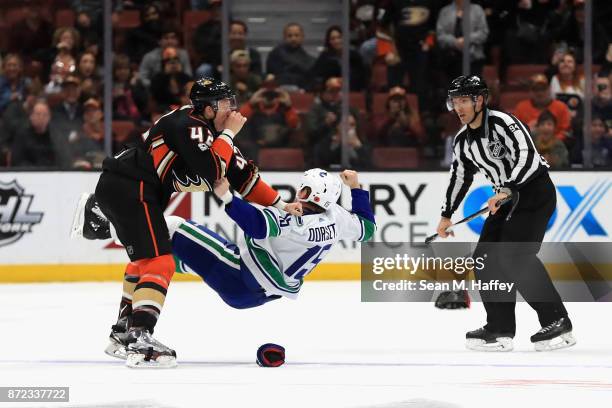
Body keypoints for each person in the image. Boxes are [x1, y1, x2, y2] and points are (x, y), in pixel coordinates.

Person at [71, 78, 303, 368]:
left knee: (143, 264)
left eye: (231, 102)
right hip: (132, 188)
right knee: (161, 262)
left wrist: (282, 205)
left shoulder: (215, 135)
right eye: (223, 103)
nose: (231, 109)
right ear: (206, 108)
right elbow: (213, 168)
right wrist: (230, 133)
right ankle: (141, 338)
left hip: (130, 189)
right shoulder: (189, 125)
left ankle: (123, 333)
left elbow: (244, 178)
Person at [74, 169, 375, 360]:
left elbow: (258, 226)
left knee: (171, 227)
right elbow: (368, 228)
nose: (299, 195)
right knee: (157, 257)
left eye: (305, 190)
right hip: (255, 294)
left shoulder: (297, 220)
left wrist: (227, 197)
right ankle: (124, 331)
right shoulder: (338, 219)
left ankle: (101, 225)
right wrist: (358, 188)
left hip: (239, 272)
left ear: (315, 194)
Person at [436, 75, 575, 352]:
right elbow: (459, 177)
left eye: (464, 100)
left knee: (515, 254)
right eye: (455, 101)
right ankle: (499, 328)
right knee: (484, 258)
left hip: (533, 192)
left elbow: (526, 154)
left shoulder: (503, 122)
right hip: (506, 198)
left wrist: (508, 188)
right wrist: (446, 214)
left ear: (480, 100)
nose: (459, 107)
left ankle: (557, 320)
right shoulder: (463, 140)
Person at [513, 74, 571, 141]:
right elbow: (515, 131)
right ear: (530, 91)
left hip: (555, 147)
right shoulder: (521, 107)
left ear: (549, 90)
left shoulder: (561, 107)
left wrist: (551, 142)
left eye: (543, 89)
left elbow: (565, 131)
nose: (540, 93)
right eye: (536, 90)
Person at [265, 23, 315, 90]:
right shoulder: (275, 54)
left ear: (302, 37)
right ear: (284, 37)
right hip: (280, 89)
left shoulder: (309, 59)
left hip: (301, 90)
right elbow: (273, 74)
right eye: (289, 36)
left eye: (296, 35)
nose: (293, 39)